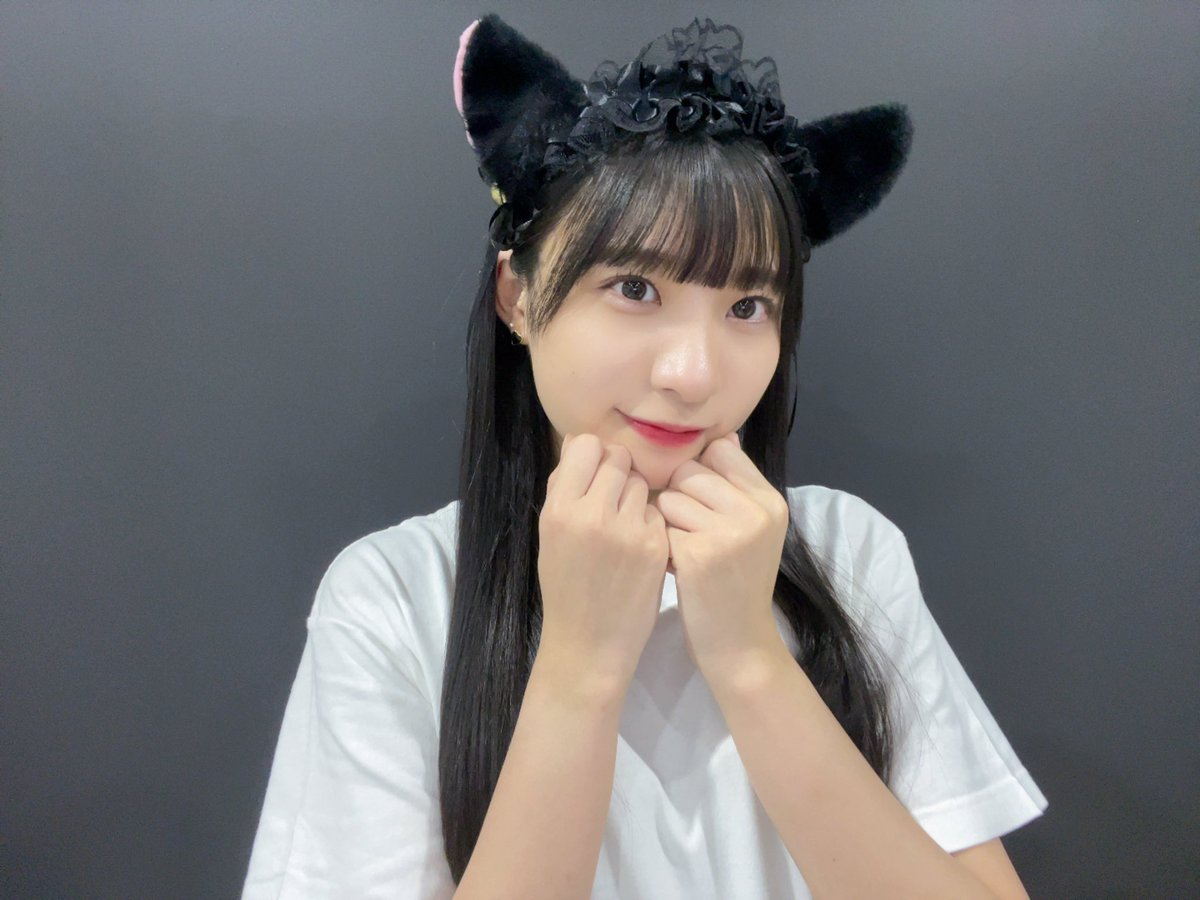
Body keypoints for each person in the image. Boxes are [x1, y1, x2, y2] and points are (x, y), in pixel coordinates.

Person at [242, 15, 1048, 899]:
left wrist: (749, 655)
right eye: (634, 288)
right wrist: (580, 665)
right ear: (519, 296)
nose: (692, 373)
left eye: (747, 306)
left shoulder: (847, 555)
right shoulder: (398, 599)